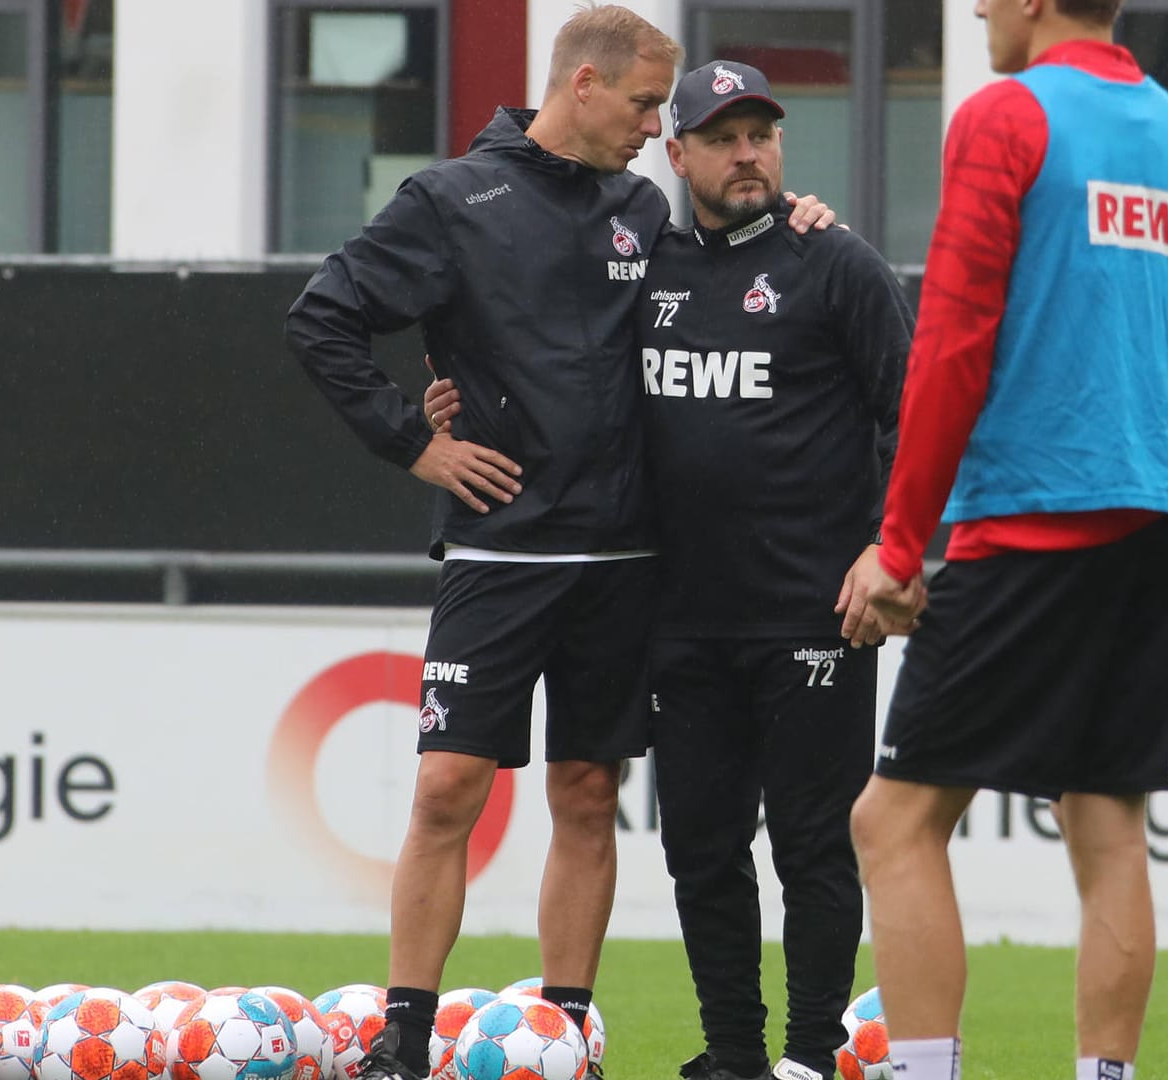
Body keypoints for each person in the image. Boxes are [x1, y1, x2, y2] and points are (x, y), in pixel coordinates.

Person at [284, 8, 830, 1080]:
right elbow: (321, 318)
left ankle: (564, 1032)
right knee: (447, 787)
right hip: (500, 554)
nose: (652, 129)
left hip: (628, 561)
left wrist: (793, 225)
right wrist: (416, 444)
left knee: (588, 795)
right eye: (641, 106)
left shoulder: (640, 205)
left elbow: (718, 292)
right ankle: (403, 1037)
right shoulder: (449, 201)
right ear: (583, 86)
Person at [425, 57, 911, 1080]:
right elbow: (541, 347)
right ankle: (734, 1054)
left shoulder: (837, 262)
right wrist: (442, 398)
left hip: (815, 612)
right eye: (724, 137)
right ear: (675, 152)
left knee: (813, 847)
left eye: (763, 135)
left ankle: (812, 1057)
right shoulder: (643, 263)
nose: (748, 154)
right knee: (701, 848)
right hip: (679, 615)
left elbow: (917, 419)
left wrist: (890, 551)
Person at [837, 2, 1168, 1079]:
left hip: (1030, 520)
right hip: (1158, 526)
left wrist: (902, 544)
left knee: (896, 821)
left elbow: (953, 344)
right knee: (1107, 825)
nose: (972, 9)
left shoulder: (1005, 117)